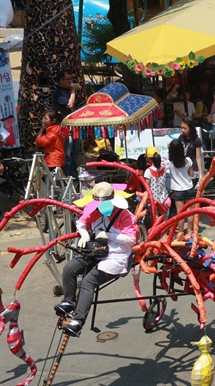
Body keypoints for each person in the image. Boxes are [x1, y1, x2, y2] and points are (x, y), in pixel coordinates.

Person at [54, 182, 137, 337]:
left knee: (88, 282)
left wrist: (109, 236)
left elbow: (131, 239)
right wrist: (84, 233)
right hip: (94, 253)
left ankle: (78, 321)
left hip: (115, 257)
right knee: (69, 268)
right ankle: (69, 301)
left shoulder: (124, 214)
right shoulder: (93, 210)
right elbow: (81, 222)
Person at [52, 69, 80, 178]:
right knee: (67, 154)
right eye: (67, 79)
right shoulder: (58, 93)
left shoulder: (67, 91)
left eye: (71, 79)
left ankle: (74, 174)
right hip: (64, 127)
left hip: (74, 126)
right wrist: (73, 91)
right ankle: (66, 176)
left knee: (76, 152)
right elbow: (69, 105)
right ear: (61, 80)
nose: (70, 81)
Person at [166, 139, 195, 234]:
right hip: (189, 187)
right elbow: (191, 174)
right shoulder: (188, 161)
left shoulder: (169, 163)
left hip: (177, 190)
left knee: (180, 213)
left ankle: (181, 232)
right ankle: (190, 230)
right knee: (190, 211)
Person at [179, 118, 204, 185]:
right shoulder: (181, 138)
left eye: (185, 128)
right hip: (183, 168)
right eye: (181, 128)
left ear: (190, 128)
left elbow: (198, 157)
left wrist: (201, 174)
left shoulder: (196, 140)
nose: (182, 130)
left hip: (193, 169)